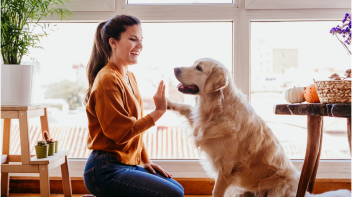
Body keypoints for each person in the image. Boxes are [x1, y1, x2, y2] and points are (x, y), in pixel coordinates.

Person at [83, 15, 184, 197]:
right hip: (104, 170)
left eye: (141, 40)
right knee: (172, 195)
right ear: (113, 42)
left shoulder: (129, 77)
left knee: (178, 189)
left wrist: (145, 161)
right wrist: (159, 111)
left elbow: (135, 128)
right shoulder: (107, 79)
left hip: (126, 164)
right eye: (133, 39)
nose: (140, 45)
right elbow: (121, 133)